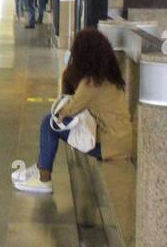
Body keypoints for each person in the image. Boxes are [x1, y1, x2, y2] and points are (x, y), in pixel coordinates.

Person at [12, 28, 132, 194]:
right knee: (52, 123)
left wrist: (68, 76)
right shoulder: (109, 78)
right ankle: (41, 166)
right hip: (120, 142)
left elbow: (66, 111)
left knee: (49, 123)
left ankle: (43, 178)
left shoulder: (91, 83)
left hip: (109, 146)